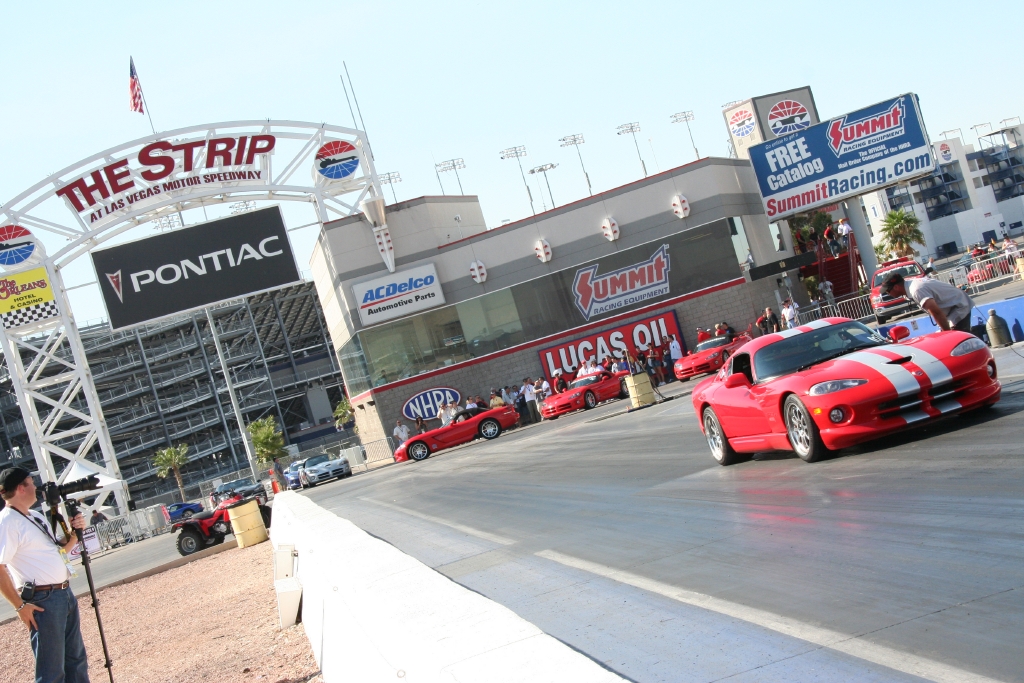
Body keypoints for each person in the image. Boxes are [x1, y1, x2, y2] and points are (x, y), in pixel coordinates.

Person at [0, 467, 90, 683]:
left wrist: (74, 532)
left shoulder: (35, 516)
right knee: (51, 671)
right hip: (43, 600)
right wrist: (20, 607)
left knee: (76, 662)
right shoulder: (7, 522)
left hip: (63, 593)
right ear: (21, 488)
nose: (36, 488)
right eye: (32, 483)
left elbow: (59, 552)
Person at [881, 271, 974, 332]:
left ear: (896, 287)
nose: (888, 294)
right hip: (952, 309)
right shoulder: (910, 287)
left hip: (958, 307)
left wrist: (947, 333)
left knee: (958, 343)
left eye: (888, 291)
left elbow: (936, 312)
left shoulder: (916, 290)